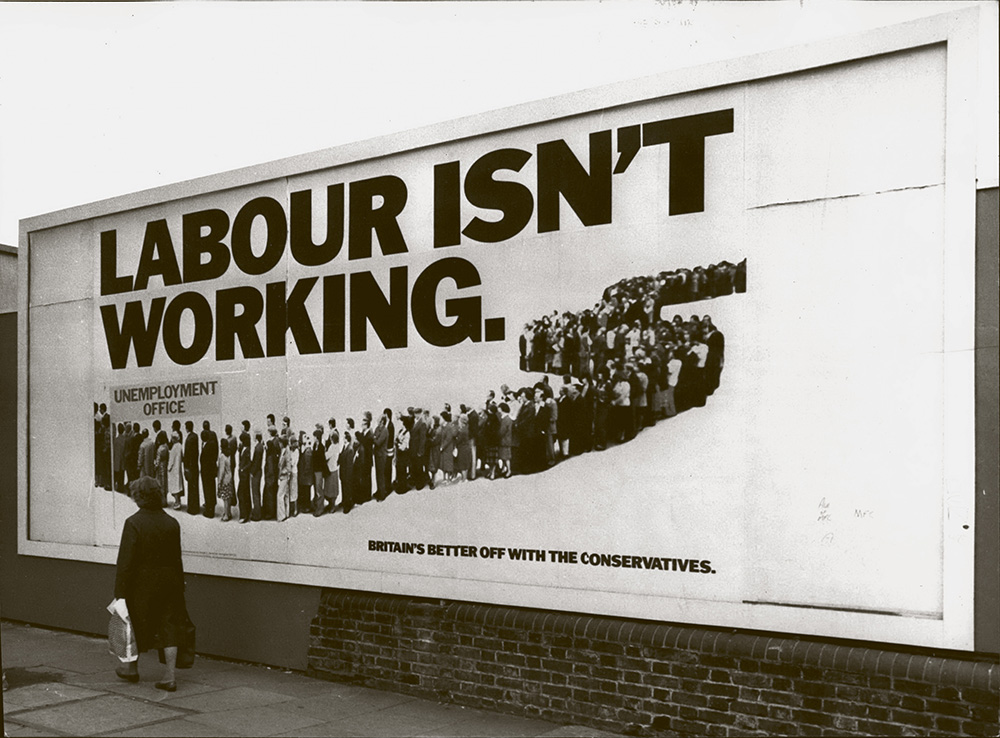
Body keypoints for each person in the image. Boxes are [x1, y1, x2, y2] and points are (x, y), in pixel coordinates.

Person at [113, 476, 192, 692]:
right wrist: (180, 586)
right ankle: (170, 676)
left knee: (133, 623)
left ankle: (130, 668)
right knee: (169, 627)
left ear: (138, 497)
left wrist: (120, 591)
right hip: (170, 582)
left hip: (141, 584)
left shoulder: (133, 523)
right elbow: (177, 558)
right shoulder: (171, 522)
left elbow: (125, 561)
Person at [200, 421, 219, 518]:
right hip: (211, 466)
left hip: (207, 469)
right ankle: (211, 503)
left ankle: (209, 506)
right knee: (211, 487)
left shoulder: (206, 439)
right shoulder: (213, 435)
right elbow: (216, 449)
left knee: (208, 488)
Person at [217, 438, 235, 522]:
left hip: (224, 479)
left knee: (225, 498)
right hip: (229, 477)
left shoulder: (222, 456)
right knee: (229, 496)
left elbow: (221, 470)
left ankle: (226, 514)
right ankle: (229, 512)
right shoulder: (229, 454)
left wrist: (219, 481)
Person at [237, 432, 252, 524]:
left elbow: (249, 463)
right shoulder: (244, 449)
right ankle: (247, 511)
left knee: (241, 494)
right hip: (242, 475)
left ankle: (244, 515)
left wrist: (243, 469)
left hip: (244, 475)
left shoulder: (247, 450)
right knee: (245, 493)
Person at [276, 435, 292, 522]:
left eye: (280, 442)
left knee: (280, 495)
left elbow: (288, 468)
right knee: (286, 495)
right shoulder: (284, 450)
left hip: (284, 477)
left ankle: (281, 515)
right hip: (284, 477)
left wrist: (282, 472)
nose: (279, 444)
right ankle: (286, 513)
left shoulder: (286, 452)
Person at [167, 431, 183, 510]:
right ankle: (178, 500)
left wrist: (168, 468)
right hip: (178, 468)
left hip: (173, 469)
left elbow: (171, 460)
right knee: (178, 485)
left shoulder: (174, 447)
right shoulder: (180, 445)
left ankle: (177, 502)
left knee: (175, 486)